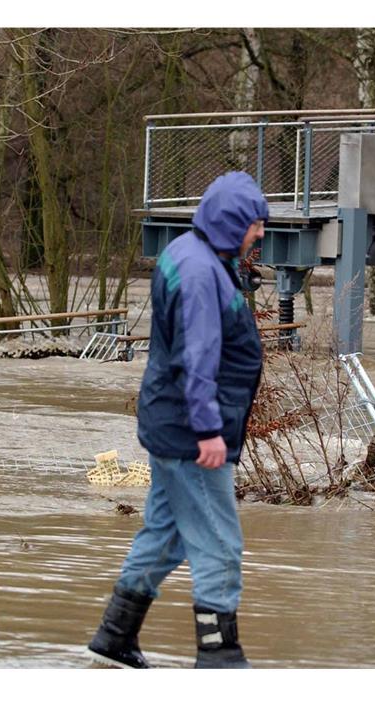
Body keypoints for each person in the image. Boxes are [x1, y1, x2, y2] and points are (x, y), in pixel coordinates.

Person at [87, 171, 267, 669]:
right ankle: (219, 658)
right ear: (233, 222)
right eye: (255, 224)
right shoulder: (198, 271)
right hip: (192, 432)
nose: (260, 234)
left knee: (164, 535)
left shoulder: (193, 254)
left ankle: (114, 637)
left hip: (171, 423)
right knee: (219, 542)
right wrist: (208, 430)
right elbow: (198, 354)